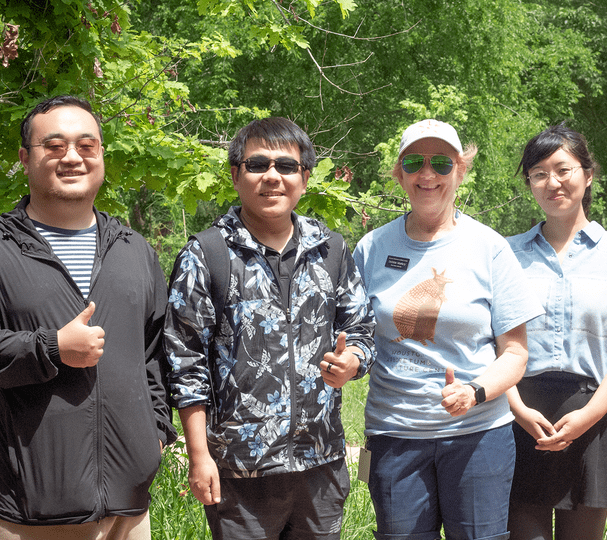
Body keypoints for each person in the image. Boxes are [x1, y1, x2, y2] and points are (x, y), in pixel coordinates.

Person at [164, 116, 375, 540]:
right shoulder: (206, 254)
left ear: (306, 177)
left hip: (321, 463)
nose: (272, 176)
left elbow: (361, 328)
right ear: (236, 173)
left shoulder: (331, 249)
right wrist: (199, 455)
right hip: (240, 472)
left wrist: (352, 360)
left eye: (286, 166)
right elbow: (184, 364)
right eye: (258, 164)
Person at [353, 119, 543, 540]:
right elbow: (357, 335)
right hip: (395, 434)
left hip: (477, 436)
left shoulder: (490, 247)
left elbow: (515, 354)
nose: (428, 174)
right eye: (414, 163)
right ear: (399, 173)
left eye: (441, 163)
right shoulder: (371, 248)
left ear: (460, 169)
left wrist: (475, 391)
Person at [0, 95, 177, 539]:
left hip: (129, 507)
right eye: (54, 146)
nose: (72, 157)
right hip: (31, 510)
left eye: (86, 145)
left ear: (101, 155)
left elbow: (157, 352)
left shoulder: (133, 250)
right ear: (25, 158)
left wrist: (154, 432)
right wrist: (51, 347)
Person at [505, 124, 607, 540]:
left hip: (593, 413)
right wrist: (517, 408)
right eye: (538, 173)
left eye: (563, 169)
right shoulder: (506, 255)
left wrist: (590, 415)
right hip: (520, 414)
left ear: (588, 175)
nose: (551, 182)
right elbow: (491, 342)